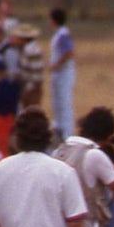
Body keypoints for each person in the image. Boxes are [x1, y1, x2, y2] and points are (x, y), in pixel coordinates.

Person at [49, 9, 77, 140]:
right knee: (58, 104)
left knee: (64, 103)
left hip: (64, 75)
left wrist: (57, 65)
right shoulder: (59, 34)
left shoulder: (63, 34)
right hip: (59, 75)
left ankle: (67, 133)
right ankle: (60, 131)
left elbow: (69, 52)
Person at [0, 59, 21, 154]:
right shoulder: (9, 84)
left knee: (2, 142)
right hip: (7, 117)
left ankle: (3, 157)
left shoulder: (3, 85)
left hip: (3, 117)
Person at [11, 23, 45, 109]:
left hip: (31, 86)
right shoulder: (34, 48)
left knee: (30, 111)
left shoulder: (28, 50)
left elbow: (26, 70)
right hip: (35, 85)